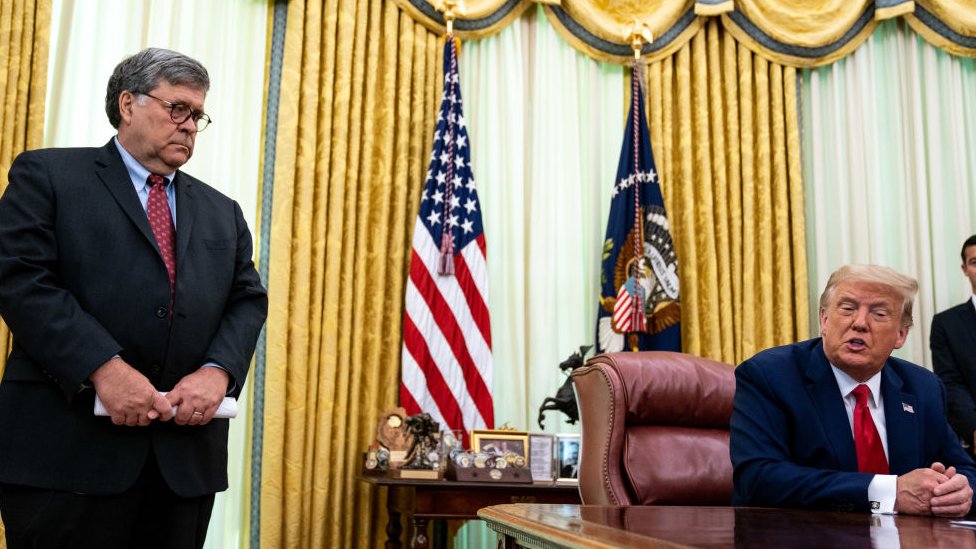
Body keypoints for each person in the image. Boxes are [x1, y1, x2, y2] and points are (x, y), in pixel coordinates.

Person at [0, 48, 268, 548]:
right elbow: (21, 279)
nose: (190, 126)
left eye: (198, 115)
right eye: (178, 109)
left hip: (183, 465)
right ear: (128, 104)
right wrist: (102, 367)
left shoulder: (222, 211)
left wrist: (218, 372)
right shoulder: (47, 177)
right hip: (65, 456)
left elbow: (247, 300)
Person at [730, 264, 974, 516]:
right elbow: (757, 478)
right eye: (847, 309)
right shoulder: (770, 375)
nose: (859, 323)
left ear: (900, 335)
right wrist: (888, 492)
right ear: (824, 320)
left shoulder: (923, 387)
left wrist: (961, 492)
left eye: (879, 314)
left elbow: (965, 469)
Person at [931, 235, 976, 456]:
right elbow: (950, 382)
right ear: (964, 268)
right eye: (975, 262)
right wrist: (974, 427)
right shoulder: (945, 324)